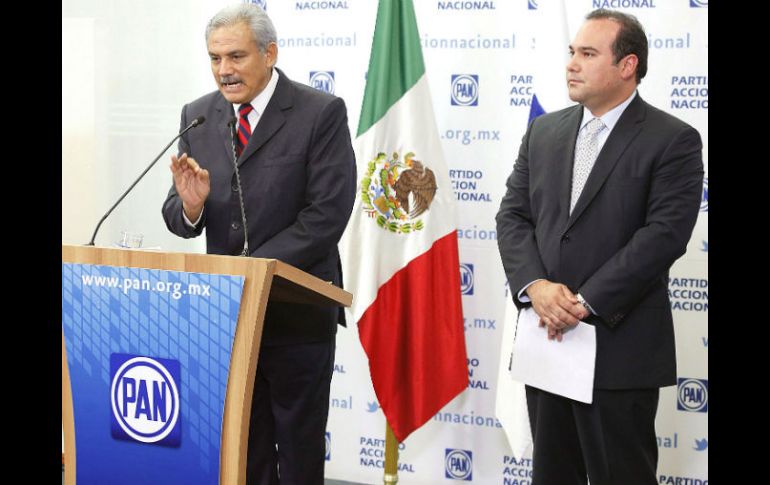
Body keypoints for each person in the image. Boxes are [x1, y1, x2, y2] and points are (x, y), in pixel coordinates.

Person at [495, 9, 703, 485]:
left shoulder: (673, 140)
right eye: (572, 52)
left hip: (617, 347)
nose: (572, 63)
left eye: (588, 54)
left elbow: (664, 235)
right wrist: (536, 288)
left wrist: (582, 303)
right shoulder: (544, 131)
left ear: (627, 65)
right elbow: (513, 216)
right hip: (546, 343)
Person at [161, 4, 356, 484]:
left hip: (296, 313)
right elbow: (177, 217)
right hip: (227, 318)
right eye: (214, 58)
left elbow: (326, 214)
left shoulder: (319, 113)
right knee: (241, 451)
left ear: (269, 53)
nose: (224, 70)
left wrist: (252, 268)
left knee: (297, 453)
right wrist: (191, 207)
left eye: (236, 56)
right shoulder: (198, 116)